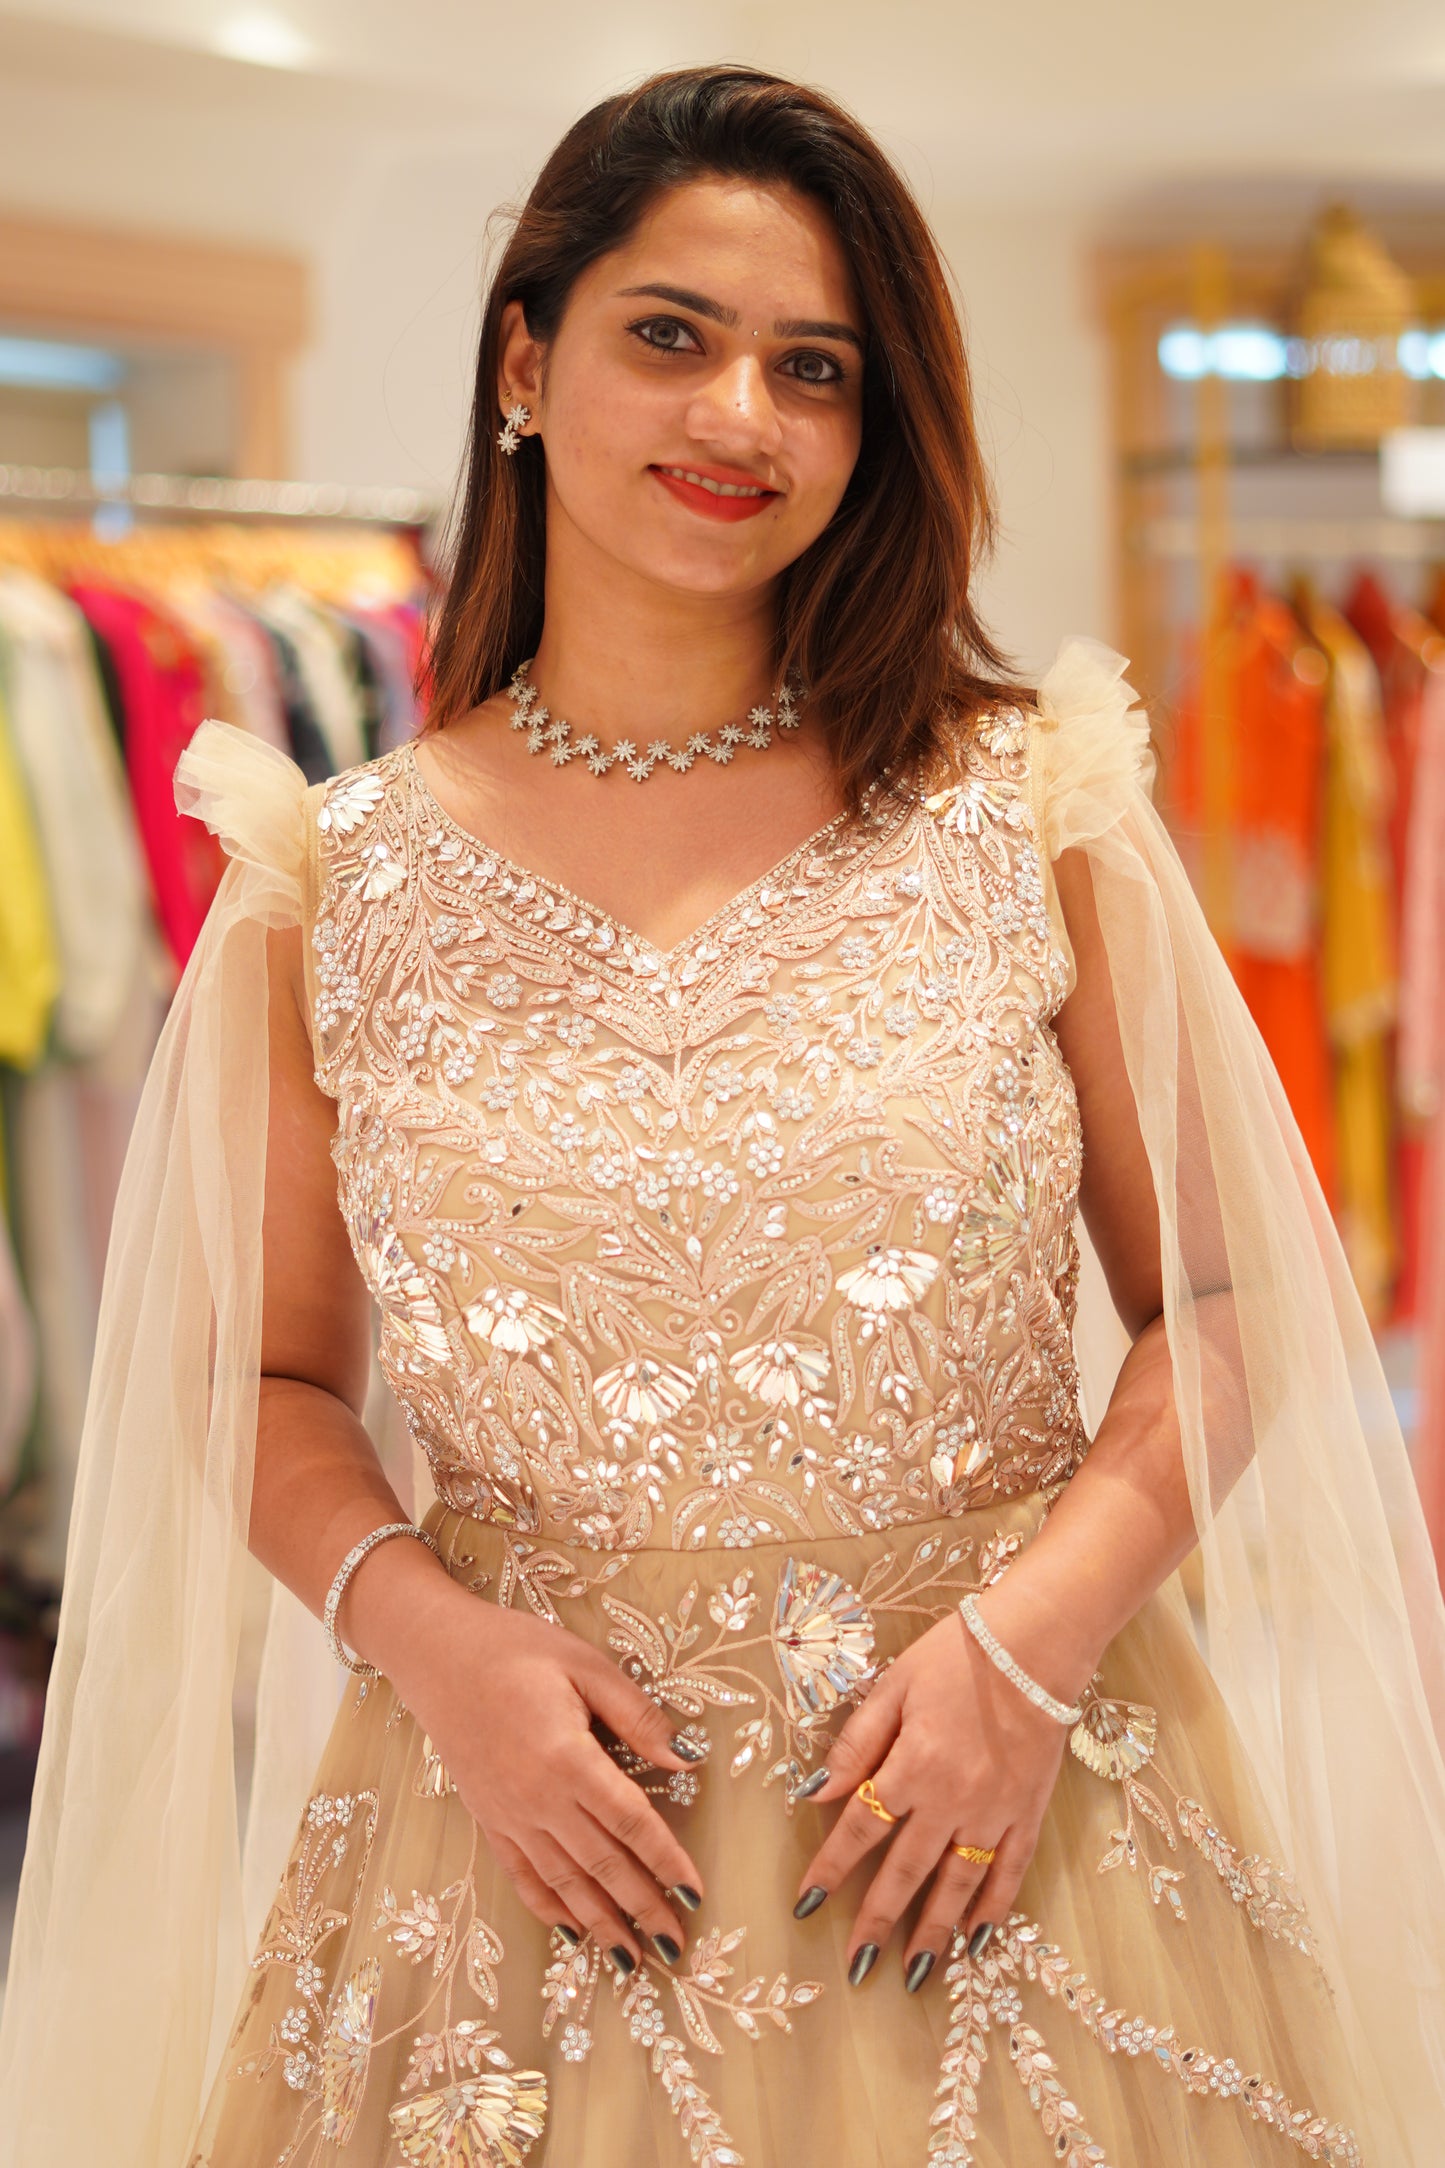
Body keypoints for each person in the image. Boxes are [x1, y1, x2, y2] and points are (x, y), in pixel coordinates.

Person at [3, 63, 1444, 2168]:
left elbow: (1228, 1295)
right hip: (524, 1855)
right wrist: (431, 1642)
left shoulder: (1021, 812)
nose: (739, 418)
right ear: (526, 358)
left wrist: (1031, 1656)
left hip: (1005, 1826)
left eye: (816, 367)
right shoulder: (337, 884)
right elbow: (271, 1376)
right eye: (669, 334)